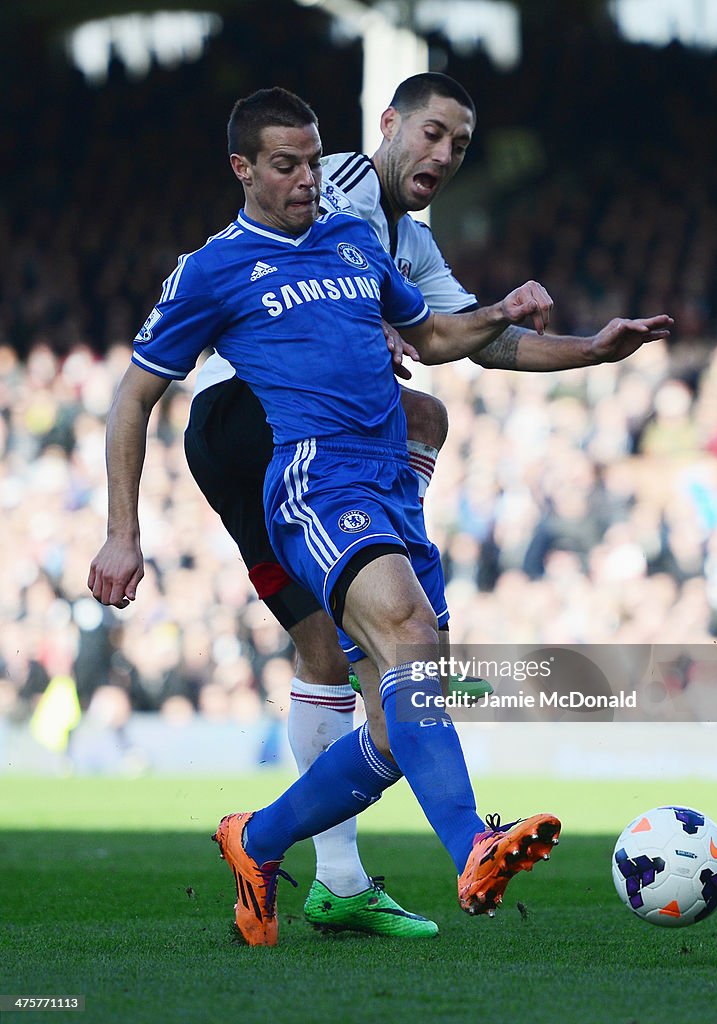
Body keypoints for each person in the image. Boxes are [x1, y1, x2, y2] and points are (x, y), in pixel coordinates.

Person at [88, 85, 672, 946]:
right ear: (243, 169)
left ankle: (257, 838)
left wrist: (531, 325)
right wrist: (121, 532)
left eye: (312, 163)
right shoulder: (210, 270)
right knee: (404, 627)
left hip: (389, 482)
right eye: (285, 166)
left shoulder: (357, 238)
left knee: (400, 719)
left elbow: (433, 339)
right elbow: (133, 399)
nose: (305, 181)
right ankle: (473, 843)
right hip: (313, 478)